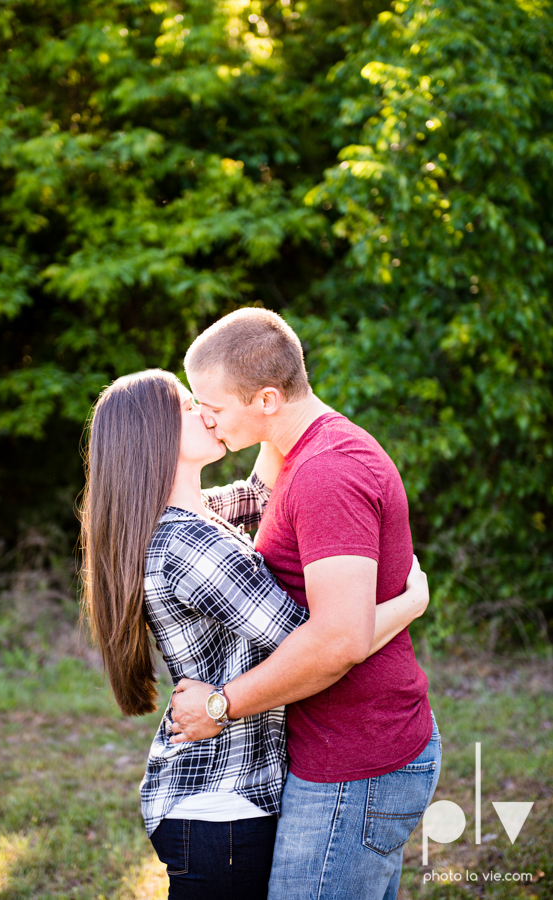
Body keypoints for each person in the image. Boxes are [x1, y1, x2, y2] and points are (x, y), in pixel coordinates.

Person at [79, 367, 430, 900]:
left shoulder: (188, 517)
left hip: (217, 797)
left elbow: (256, 492)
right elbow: (320, 640)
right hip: (224, 804)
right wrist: (408, 604)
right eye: (188, 405)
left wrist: (271, 397)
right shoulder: (190, 546)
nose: (204, 412)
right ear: (156, 438)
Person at [169, 308, 442, 900]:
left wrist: (220, 705)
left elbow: (340, 639)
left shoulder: (327, 473)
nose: (204, 416)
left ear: (266, 399)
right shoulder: (295, 452)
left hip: (356, 760)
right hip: (335, 749)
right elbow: (206, 508)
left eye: (211, 403)